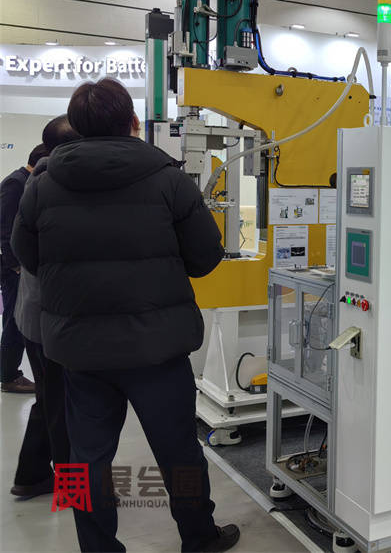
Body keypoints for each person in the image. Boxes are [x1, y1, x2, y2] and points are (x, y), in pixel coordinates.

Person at [12, 79, 238, 552]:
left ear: (76, 125)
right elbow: (205, 257)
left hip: (79, 350)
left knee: (83, 459)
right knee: (178, 452)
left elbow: (27, 256)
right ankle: (199, 537)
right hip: (157, 346)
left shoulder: (42, 184)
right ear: (133, 122)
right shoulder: (169, 180)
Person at [10, 119, 80, 499]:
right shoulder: (55, 184)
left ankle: (31, 474)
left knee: (51, 399)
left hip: (36, 315)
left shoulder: (39, 180)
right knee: (65, 407)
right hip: (51, 317)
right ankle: (73, 490)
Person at [0, 145, 48, 394]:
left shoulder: (26, 182)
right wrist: (16, 266)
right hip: (14, 269)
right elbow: (5, 231)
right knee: (14, 321)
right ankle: (9, 376)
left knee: (19, 320)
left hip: (22, 266)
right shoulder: (15, 184)